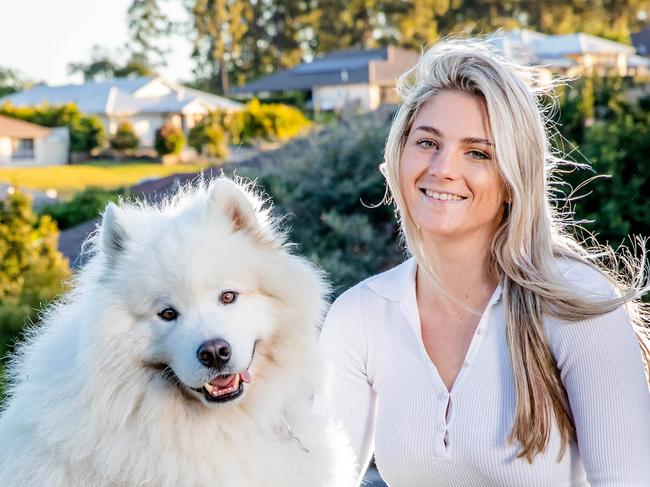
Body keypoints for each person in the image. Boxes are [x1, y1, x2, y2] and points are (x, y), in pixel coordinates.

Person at [317, 40, 650, 486]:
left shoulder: (576, 303)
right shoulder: (357, 317)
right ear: (397, 155)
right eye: (427, 142)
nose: (442, 168)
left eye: (478, 153)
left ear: (512, 179)